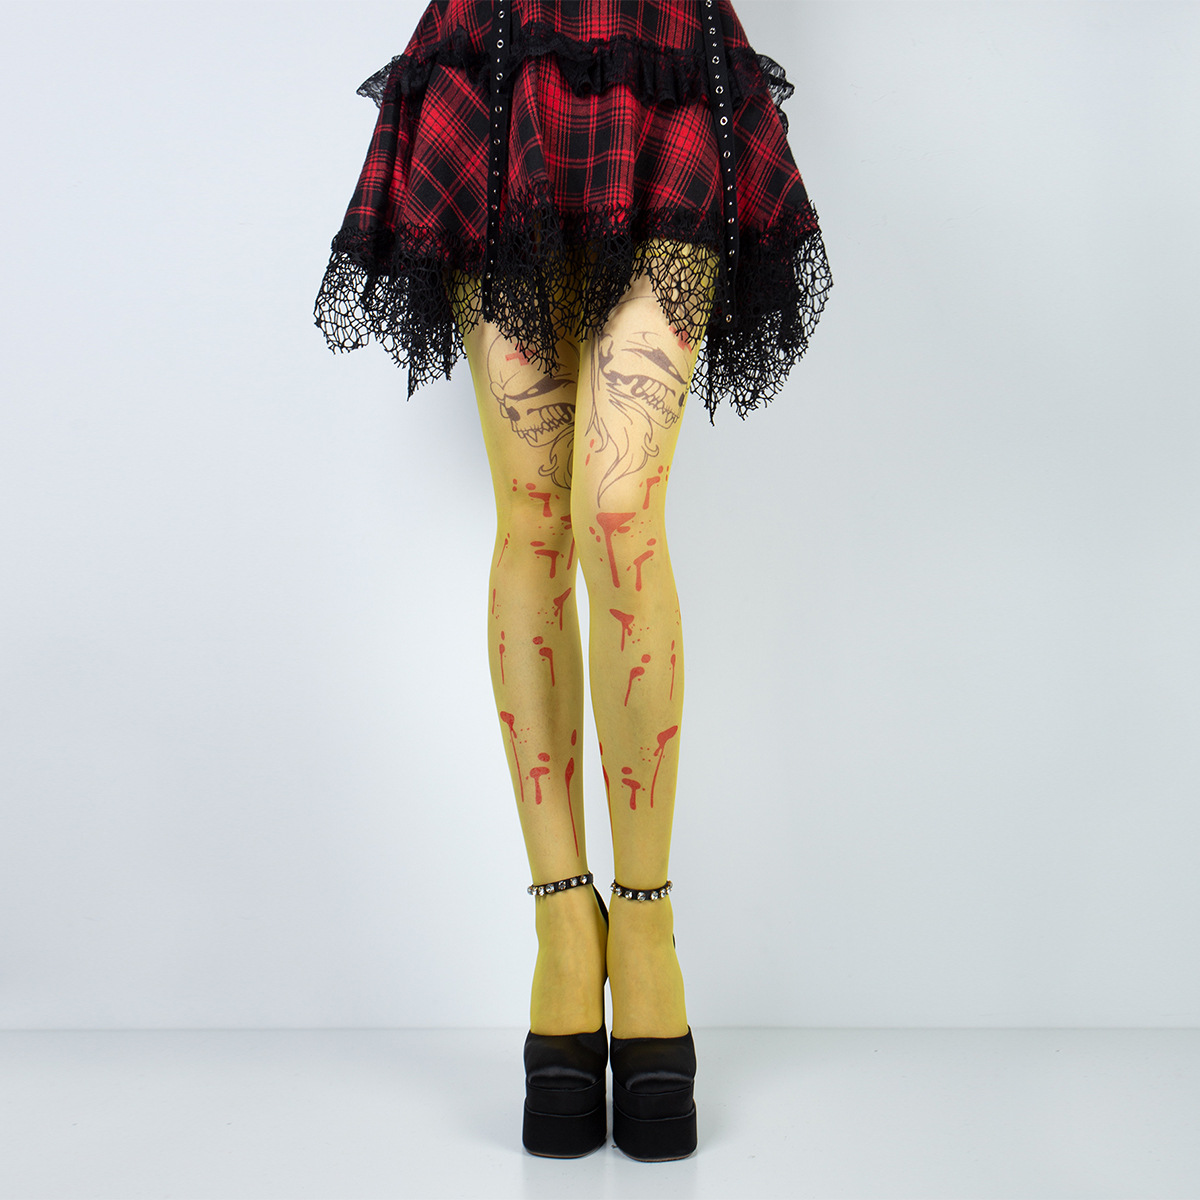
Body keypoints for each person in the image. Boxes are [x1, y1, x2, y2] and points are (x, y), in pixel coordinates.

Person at [314, 0, 831, 1162]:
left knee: (616, 506)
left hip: (666, 65)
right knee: (536, 521)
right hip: (497, 67)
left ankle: (645, 926)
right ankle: (562, 921)